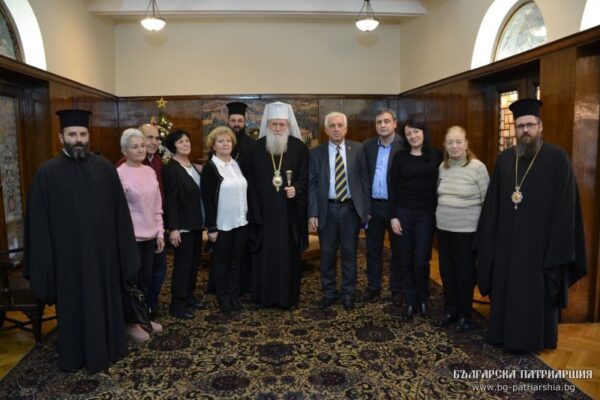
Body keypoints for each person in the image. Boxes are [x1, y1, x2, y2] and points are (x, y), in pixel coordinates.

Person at [24, 109, 140, 373]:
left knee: (105, 302)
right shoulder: (46, 174)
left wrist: (123, 253)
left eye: (83, 134)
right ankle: (75, 356)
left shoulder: (105, 168)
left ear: (89, 136)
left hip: (103, 258)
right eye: (72, 134)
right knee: (74, 308)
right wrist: (46, 264)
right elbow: (38, 225)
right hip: (68, 261)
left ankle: (110, 349)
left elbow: (120, 215)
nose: (78, 139)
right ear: (61, 137)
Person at [475, 99, 587, 351]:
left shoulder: (557, 158)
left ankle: (539, 339)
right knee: (507, 288)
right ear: (515, 129)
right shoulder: (505, 159)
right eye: (520, 126)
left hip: (541, 247)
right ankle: (502, 335)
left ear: (540, 126)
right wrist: (489, 241)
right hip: (507, 243)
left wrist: (557, 245)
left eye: (530, 125)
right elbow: (492, 206)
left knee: (537, 292)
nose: (525, 130)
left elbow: (567, 207)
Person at [246, 102, 309, 309]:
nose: (278, 128)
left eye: (282, 124)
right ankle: (264, 296)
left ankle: (287, 297)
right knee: (264, 254)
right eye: (274, 124)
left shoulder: (299, 148)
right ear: (268, 125)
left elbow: (306, 177)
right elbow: (250, 183)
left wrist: (296, 189)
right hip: (263, 214)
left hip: (289, 214)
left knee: (288, 256)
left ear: (288, 126)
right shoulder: (256, 149)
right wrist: (255, 211)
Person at [309, 112, 369, 311]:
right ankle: (329, 293)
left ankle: (348, 293)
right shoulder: (316, 153)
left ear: (346, 128)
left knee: (349, 252)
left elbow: (365, 180)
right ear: (326, 130)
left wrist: (365, 209)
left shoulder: (358, 149)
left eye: (340, 125)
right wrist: (313, 213)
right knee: (327, 254)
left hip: (350, 209)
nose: (336, 129)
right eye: (332, 125)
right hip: (327, 209)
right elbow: (311, 185)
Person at [435, 126, 489, 331]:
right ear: (445, 146)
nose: (454, 146)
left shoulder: (477, 167)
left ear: (466, 144)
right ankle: (451, 310)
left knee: (465, 274)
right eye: (450, 142)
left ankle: (465, 315)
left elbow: (487, 202)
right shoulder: (443, 167)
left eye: (458, 142)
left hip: (467, 231)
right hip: (443, 228)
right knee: (447, 272)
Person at [389, 120, 443, 321]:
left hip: (427, 214)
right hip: (403, 212)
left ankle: (423, 298)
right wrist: (393, 216)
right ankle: (410, 300)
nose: (413, 136)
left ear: (423, 132)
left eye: (416, 131)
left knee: (422, 259)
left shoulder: (436, 155)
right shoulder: (400, 156)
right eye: (408, 133)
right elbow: (392, 187)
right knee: (405, 258)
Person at [117, 128, 165, 341]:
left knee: (145, 280)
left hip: (151, 236)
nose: (140, 150)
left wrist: (160, 232)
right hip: (131, 239)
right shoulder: (119, 173)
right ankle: (131, 323)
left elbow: (157, 206)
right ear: (124, 151)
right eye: (134, 146)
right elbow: (118, 211)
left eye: (142, 146)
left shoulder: (150, 171)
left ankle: (143, 318)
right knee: (131, 282)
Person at [201, 126, 249, 316]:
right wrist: (211, 227)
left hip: (241, 222)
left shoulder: (236, 164)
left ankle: (234, 296)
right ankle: (223, 299)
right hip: (222, 225)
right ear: (213, 146)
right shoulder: (210, 168)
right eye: (220, 141)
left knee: (236, 262)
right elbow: (207, 200)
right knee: (221, 264)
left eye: (228, 141)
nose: (225, 144)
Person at [362, 108, 404, 306]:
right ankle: (373, 288)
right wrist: (366, 207)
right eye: (379, 122)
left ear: (395, 123)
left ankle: (397, 289)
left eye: (386, 121)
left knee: (398, 251)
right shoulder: (368, 146)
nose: (383, 125)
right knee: (373, 250)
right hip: (373, 207)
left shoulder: (404, 145)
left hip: (396, 208)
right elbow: (363, 177)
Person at [163, 130, 205, 319]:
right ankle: (177, 305)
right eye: (181, 142)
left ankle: (189, 297)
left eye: (187, 140)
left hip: (196, 224)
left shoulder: (192, 166)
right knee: (182, 266)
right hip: (182, 226)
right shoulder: (171, 168)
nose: (186, 144)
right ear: (173, 146)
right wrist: (173, 228)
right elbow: (170, 200)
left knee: (193, 264)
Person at [226, 101, 255, 166]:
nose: (236, 124)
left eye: (240, 121)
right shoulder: (219, 143)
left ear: (244, 122)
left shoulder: (252, 144)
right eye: (233, 120)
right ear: (228, 121)